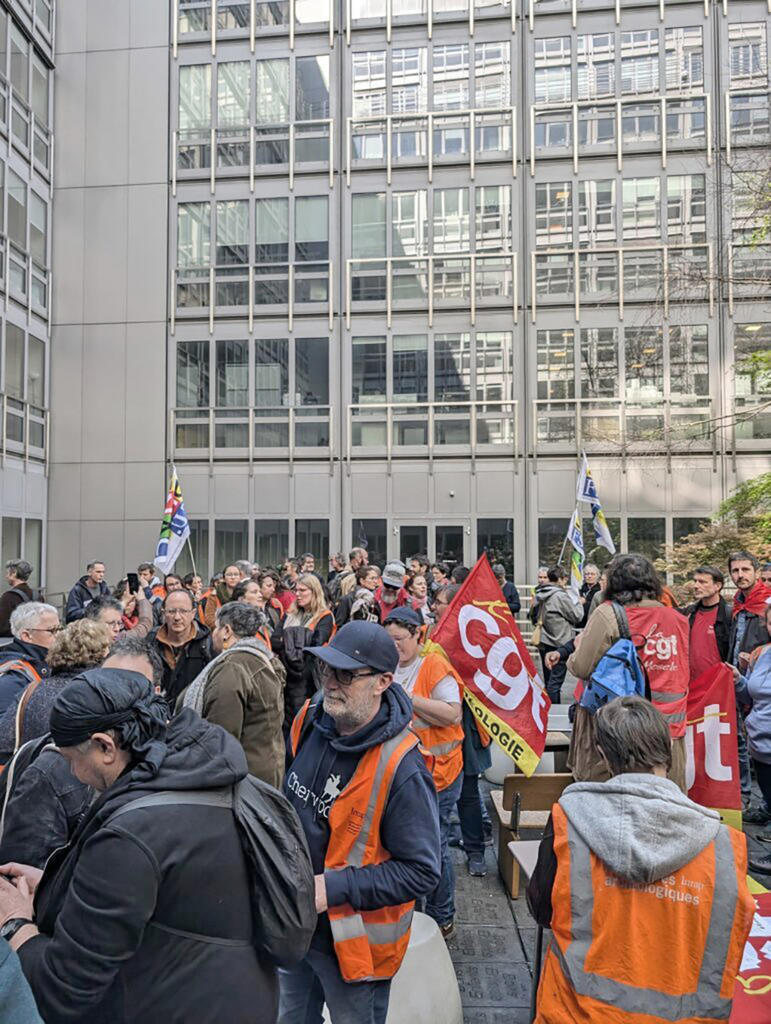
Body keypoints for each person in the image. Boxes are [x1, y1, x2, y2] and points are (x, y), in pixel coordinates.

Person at [0, 668, 279, 1023]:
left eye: (71, 760)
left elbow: (63, 989)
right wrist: (56, 884)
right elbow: (162, 901)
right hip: (237, 999)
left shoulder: (131, 835)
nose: (71, 774)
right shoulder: (201, 777)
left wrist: (16, 924)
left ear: (105, 746)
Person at [528, 695, 753, 1024]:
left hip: (575, 1012)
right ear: (667, 752)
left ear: (604, 755)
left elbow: (542, 910)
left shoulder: (569, 820)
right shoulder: (725, 846)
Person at [279, 621, 440, 1024]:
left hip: (354, 950)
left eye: (346, 675)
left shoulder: (402, 768)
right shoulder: (311, 718)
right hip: (294, 927)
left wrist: (331, 887)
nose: (331, 683)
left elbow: (422, 872)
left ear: (383, 681)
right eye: (326, 670)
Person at [566, 553, 690, 789]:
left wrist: (578, 647)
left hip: (618, 731)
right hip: (667, 732)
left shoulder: (608, 613)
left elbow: (581, 667)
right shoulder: (677, 618)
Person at [384, 606, 463, 938]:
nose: (394, 647)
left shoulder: (433, 666)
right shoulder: (387, 664)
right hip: (404, 774)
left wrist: (408, 698)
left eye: (400, 639)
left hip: (439, 774)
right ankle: (413, 915)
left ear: (419, 635)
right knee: (407, 845)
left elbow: (452, 714)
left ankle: (442, 917)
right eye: (389, 640)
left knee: (436, 844)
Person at [178, 603, 285, 788]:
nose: (213, 634)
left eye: (216, 628)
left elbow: (219, 739)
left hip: (241, 782)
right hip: (263, 772)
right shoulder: (261, 658)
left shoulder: (232, 667)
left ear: (226, 631)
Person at [432, 583, 493, 875]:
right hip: (437, 728)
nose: (434, 607)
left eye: (440, 602)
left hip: (468, 727)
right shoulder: (433, 635)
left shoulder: (474, 638)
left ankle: (476, 851)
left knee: (468, 791)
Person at [0, 619, 111, 763]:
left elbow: (4, 743)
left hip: (31, 779)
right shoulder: (102, 694)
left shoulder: (33, 689)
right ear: (101, 655)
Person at [727, 551, 771, 807]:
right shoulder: (737, 602)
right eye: (735, 571)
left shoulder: (766, 602)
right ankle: (756, 800)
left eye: (745, 569)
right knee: (745, 741)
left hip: (762, 682)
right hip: (741, 681)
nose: (740, 575)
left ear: (755, 571)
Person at [731, 601, 771, 867]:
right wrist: (738, 680)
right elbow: (751, 694)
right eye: (769, 621)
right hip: (760, 746)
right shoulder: (764, 654)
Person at [272, 573, 336, 731]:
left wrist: (288, 641)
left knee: (302, 722)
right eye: (296, 591)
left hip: (308, 677)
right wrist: (300, 639)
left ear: (314, 591)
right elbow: (275, 640)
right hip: (285, 675)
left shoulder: (324, 616)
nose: (298, 594)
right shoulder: (290, 613)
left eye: (303, 590)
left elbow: (315, 646)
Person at [150, 588, 212, 704]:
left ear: (193, 613)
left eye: (183, 611)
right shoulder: (150, 642)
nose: (177, 617)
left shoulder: (207, 643)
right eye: (171, 611)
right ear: (163, 613)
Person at [531, 566, 583, 704]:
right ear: (562, 579)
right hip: (560, 642)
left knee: (549, 680)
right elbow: (577, 616)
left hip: (544, 640)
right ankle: (554, 711)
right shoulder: (560, 596)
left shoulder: (539, 593)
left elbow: (532, 615)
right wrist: (578, 603)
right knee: (555, 682)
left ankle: (547, 708)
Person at [0, 604, 59, 716]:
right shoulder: (13, 678)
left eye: (60, 629)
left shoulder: (47, 661)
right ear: (26, 636)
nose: (59, 635)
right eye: (52, 631)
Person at [685, 566, 731, 683]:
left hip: (718, 685)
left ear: (717, 586)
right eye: (695, 581)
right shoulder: (689, 613)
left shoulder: (729, 615)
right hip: (691, 686)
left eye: (702, 582)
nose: (696, 586)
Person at [85, 593, 153, 640]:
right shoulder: (81, 653)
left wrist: (142, 599)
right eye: (111, 623)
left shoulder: (117, 638)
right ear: (93, 625)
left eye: (119, 623)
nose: (117, 629)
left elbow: (142, 629)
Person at [0, 560, 34, 638]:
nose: (6, 576)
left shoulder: (8, 597)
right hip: (33, 641)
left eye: (8, 573)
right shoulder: (38, 596)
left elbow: (2, 628)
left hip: (13, 644)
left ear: (14, 573)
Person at [202, 564, 241, 630]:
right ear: (223, 578)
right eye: (229, 575)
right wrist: (225, 628)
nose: (233, 577)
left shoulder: (244, 593)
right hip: (219, 632)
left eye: (236, 574)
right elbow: (209, 619)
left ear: (240, 577)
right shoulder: (214, 595)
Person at [579, 562, 601, 628]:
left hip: (594, 624)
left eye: (592, 574)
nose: (590, 576)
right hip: (580, 623)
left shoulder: (600, 590)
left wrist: (585, 602)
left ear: (597, 576)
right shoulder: (580, 589)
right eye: (587, 574)